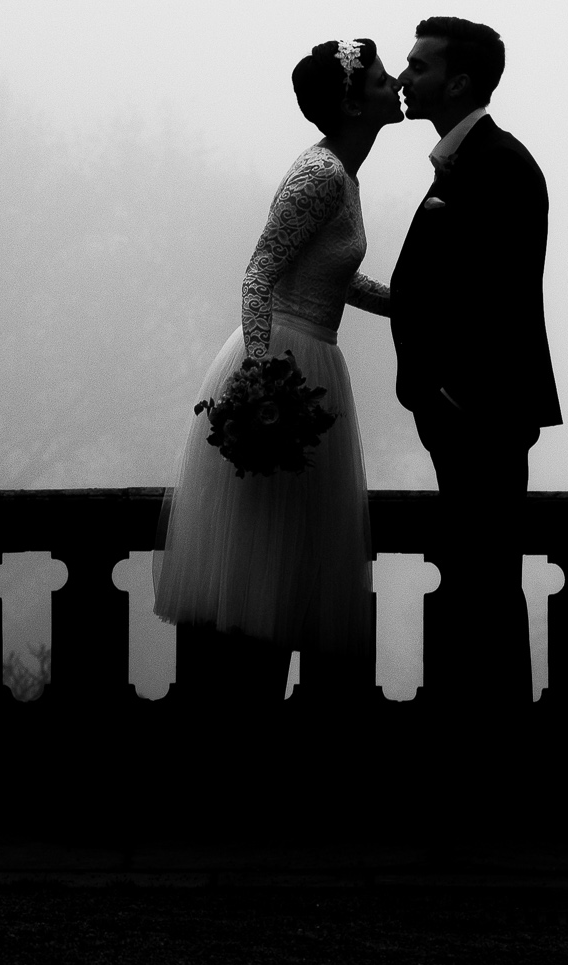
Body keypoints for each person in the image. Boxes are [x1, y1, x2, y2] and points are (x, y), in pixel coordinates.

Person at [153, 38, 404, 702]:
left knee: (294, 568)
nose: (397, 81)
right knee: (266, 562)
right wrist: (262, 377)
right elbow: (261, 271)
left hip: (316, 358)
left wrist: (410, 305)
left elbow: (335, 278)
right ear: (353, 101)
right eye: (382, 77)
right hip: (284, 363)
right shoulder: (320, 174)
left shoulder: (344, 175)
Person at [389, 17, 561, 708]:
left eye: (418, 65)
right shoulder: (469, 160)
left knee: (485, 584)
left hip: (481, 416)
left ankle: (494, 753)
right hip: (465, 414)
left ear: (459, 80)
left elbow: (498, 295)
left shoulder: (500, 164)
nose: (404, 77)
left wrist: (448, 395)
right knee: (474, 580)